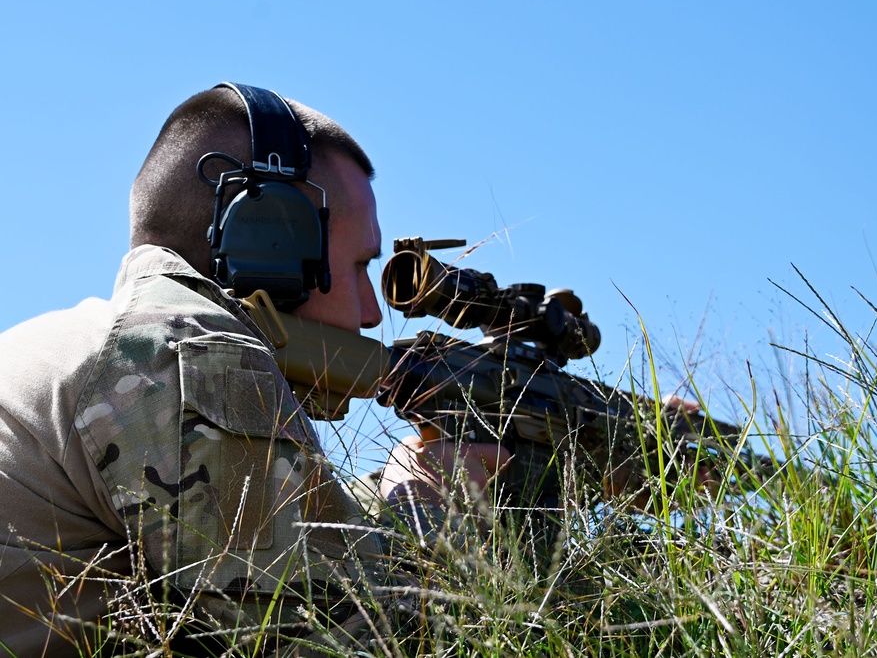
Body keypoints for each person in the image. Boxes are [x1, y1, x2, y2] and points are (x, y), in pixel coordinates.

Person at [0, 83, 504, 656]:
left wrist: (385, 496)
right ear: (273, 239)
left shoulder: (102, 344)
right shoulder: (188, 352)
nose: (369, 312)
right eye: (361, 265)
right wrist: (434, 510)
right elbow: (338, 644)